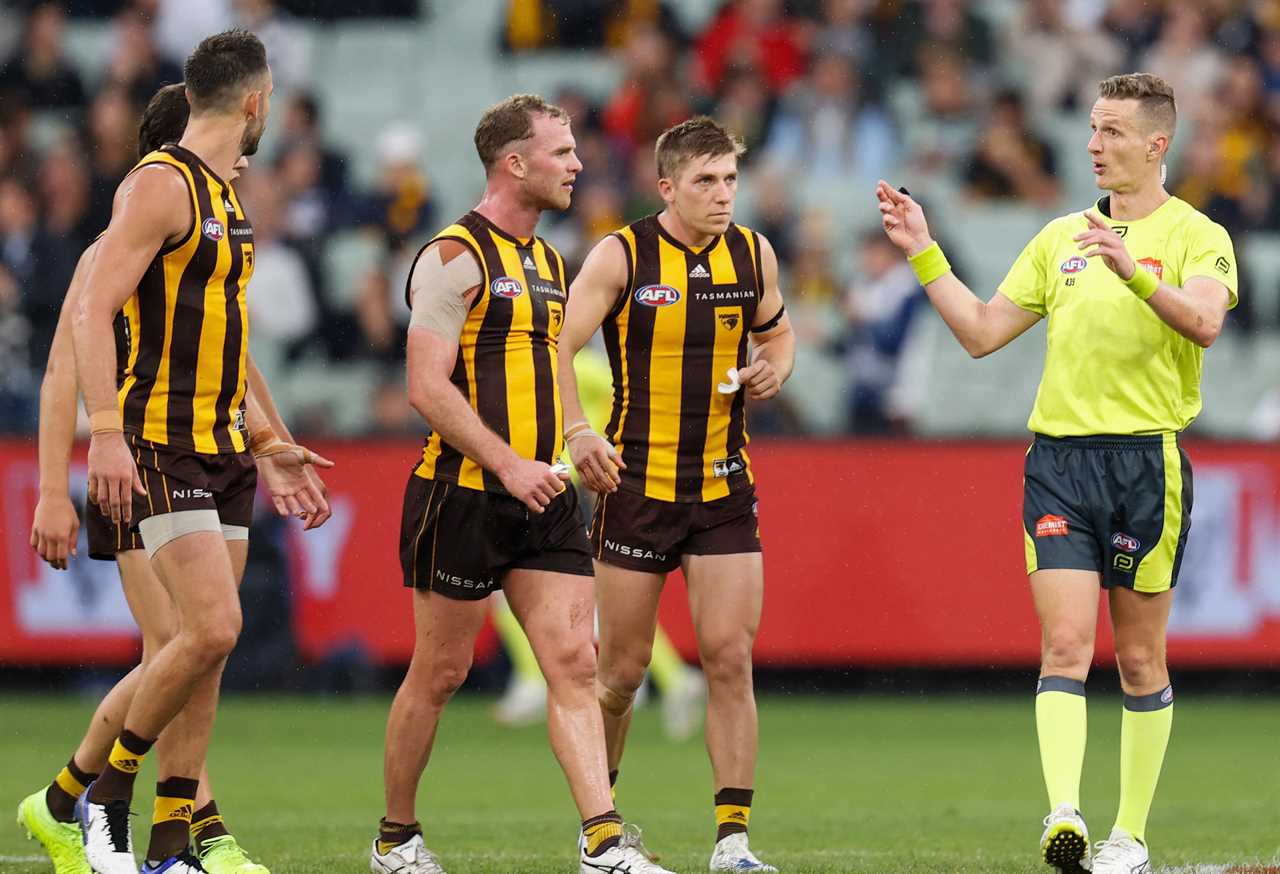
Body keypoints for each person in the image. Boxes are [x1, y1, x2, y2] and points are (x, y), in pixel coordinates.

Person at [876, 73, 1236, 874]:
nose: (1093, 146)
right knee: (1065, 644)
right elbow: (978, 333)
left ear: (1156, 144)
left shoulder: (1196, 234)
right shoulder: (1059, 236)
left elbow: (1206, 322)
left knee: (1141, 660)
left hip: (1147, 460)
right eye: (1092, 129)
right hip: (1061, 464)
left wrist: (1133, 271)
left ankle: (1130, 836)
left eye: (1111, 132)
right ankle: (1063, 813)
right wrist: (924, 252)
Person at [374, 94, 673, 874]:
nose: (578, 164)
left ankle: (603, 840)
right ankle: (395, 838)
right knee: (441, 671)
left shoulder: (548, 262)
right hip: (463, 491)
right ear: (515, 163)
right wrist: (507, 461)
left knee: (576, 663)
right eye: (562, 151)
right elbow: (425, 386)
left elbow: (550, 373)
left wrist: (577, 437)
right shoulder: (452, 254)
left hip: (544, 495)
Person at [19, 83, 310, 874]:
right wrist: (53, 488)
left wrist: (273, 439)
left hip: (194, 451)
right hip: (139, 459)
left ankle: (73, 804)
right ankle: (149, 818)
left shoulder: (202, 247)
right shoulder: (121, 240)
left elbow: (232, 356)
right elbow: (58, 375)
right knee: (189, 644)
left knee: (189, 651)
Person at [558, 116, 795, 872]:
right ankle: (602, 828)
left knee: (730, 661)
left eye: (730, 179)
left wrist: (773, 369)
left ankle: (732, 841)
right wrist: (575, 432)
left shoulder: (753, 253)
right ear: (667, 187)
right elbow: (558, 345)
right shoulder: (621, 254)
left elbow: (779, 334)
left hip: (725, 489)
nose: (723, 194)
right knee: (620, 674)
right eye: (706, 181)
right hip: (637, 488)